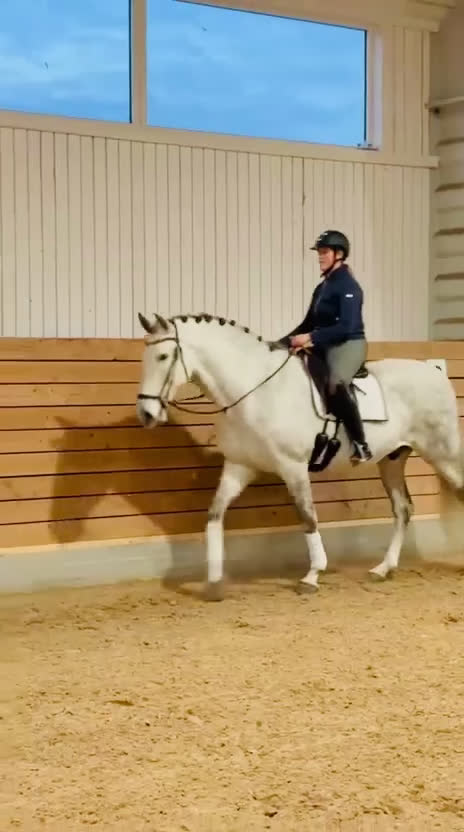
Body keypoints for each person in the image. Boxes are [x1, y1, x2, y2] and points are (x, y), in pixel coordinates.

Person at [276, 229, 372, 463]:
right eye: (319, 252)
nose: (320, 256)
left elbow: (346, 327)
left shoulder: (349, 286)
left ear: (339, 254)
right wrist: (280, 343)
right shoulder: (323, 287)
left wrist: (311, 337)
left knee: (335, 383)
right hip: (324, 341)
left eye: (324, 252)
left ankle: (360, 443)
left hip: (348, 343)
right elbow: (308, 322)